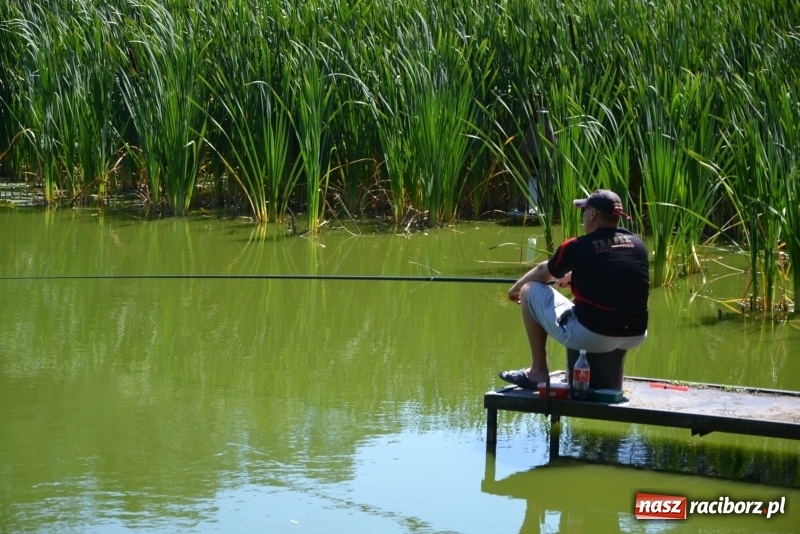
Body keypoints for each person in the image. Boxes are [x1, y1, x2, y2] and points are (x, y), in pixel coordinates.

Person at [499, 189, 650, 388]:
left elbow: (543, 271)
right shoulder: (638, 244)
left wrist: (515, 289)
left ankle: (537, 371)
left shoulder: (578, 246)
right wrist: (575, 277)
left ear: (593, 214)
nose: (584, 216)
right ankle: (614, 379)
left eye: (585, 210)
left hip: (593, 335)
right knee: (614, 315)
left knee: (529, 289)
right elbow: (616, 274)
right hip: (636, 334)